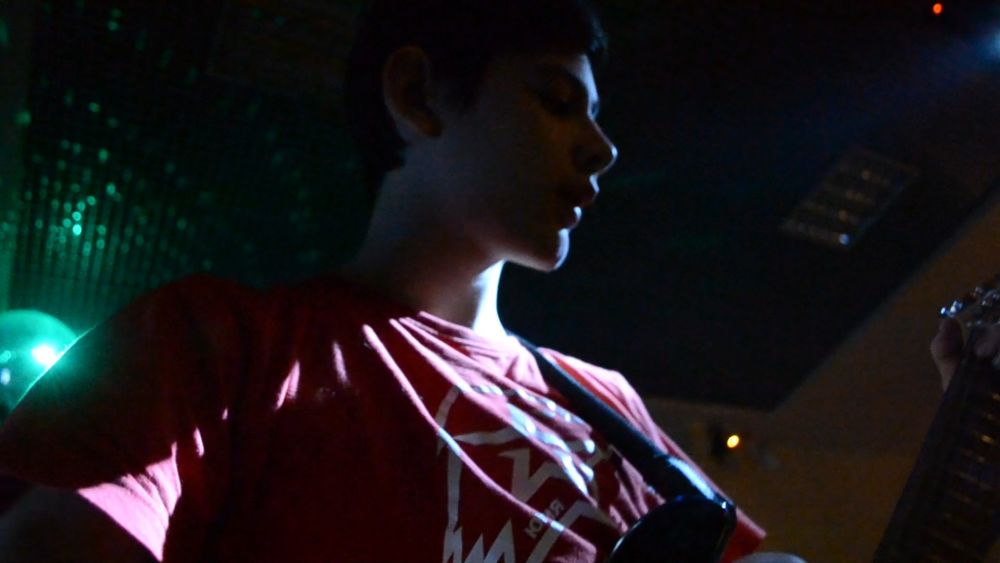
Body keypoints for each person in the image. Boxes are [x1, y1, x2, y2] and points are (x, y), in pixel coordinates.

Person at [0, 1, 990, 561]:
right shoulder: (221, 343)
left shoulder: (607, 404)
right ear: (415, 93)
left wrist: (971, 435)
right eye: (556, 101)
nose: (602, 148)